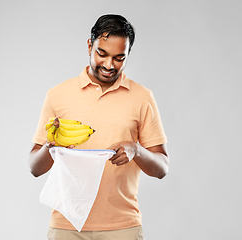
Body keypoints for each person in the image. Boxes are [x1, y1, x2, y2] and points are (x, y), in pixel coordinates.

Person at [29, 14, 169, 240]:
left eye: (119, 57)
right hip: (66, 226)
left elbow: (162, 168)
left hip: (123, 227)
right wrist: (50, 148)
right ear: (89, 46)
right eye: (101, 53)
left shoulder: (143, 98)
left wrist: (136, 150)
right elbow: (34, 168)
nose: (109, 65)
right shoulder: (58, 95)